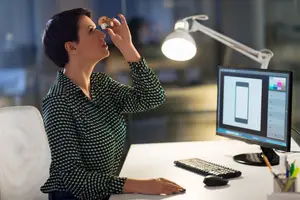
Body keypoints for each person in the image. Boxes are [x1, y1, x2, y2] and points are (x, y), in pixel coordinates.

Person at [40, 8, 185, 200]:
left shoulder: (100, 85)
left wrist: (127, 47)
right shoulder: (59, 102)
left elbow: (151, 97)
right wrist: (137, 185)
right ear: (71, 47)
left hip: (107, 195)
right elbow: (73, 179)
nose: (102, 33)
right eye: (91, 31)